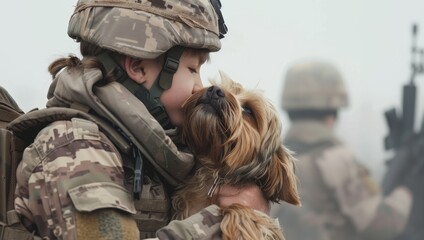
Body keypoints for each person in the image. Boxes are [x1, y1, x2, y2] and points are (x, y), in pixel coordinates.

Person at [11, 0, 269, 239]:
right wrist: (227, 221)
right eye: (192, 69)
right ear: (137, 67)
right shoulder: (75, 150)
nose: (198, 87)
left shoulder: (144, 148)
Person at [271, 60, 414, 240]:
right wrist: (406, 192)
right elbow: (380, 226)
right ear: (332, 114)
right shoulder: (335, 158)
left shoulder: (270, 160)